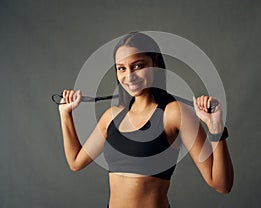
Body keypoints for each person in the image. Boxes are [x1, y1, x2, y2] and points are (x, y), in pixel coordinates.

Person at [58, 32, 234, 208]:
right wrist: (65, 114)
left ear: (154, 63)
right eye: (121, 68)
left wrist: (216, 128)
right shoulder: (112, 117)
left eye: (138, 66)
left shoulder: (175, 113)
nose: (129, 76)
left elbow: (221, 185)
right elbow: (75, 162)